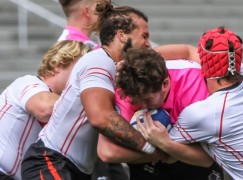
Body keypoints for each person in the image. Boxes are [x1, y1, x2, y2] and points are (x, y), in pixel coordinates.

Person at [136, 27, 243, 179]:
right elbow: (188, 52)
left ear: (204, 63)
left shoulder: (203, 113)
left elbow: (171, 155)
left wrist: (163, 142)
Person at [21, 5, 165, 180]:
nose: (148, 44)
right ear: (121, 35)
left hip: (75, 169)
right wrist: (152, 148)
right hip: (51, 160)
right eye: (144, 36)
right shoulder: (98, 61)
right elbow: (101, 118)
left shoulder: (116, 68)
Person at [97, 47, 224, 180]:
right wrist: (159, 153)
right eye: (136, 101)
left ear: (165, 84)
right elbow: (107, 152)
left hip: (193, 164)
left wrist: (166, 144)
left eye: (147, 100)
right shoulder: (125, 93)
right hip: (149, 161)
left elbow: (208, 159)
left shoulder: (193, 87)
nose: (143, 106)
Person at [0, 40, 92, 180]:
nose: (85, 77)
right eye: (81, 70)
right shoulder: (28, 82)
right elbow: (44, 109)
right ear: (57, 65)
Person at [58, 0, 129, 179]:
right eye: (100, 8)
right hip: (85, 139)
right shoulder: (70, 48)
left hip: (96, 135)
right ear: (87, 11)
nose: (105, 14)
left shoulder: (85, 44)